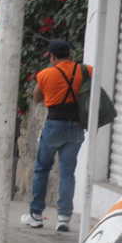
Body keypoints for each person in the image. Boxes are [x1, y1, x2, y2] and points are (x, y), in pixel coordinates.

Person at [22, 39, 93, 233]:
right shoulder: (86, 70)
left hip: (54, 126)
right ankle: (63, 218)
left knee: (42, 169)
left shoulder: (46, 74)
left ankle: (36, 215)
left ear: (52, 56)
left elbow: (37, 98)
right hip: (76, 127)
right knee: (67, 173)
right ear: (69, 54)